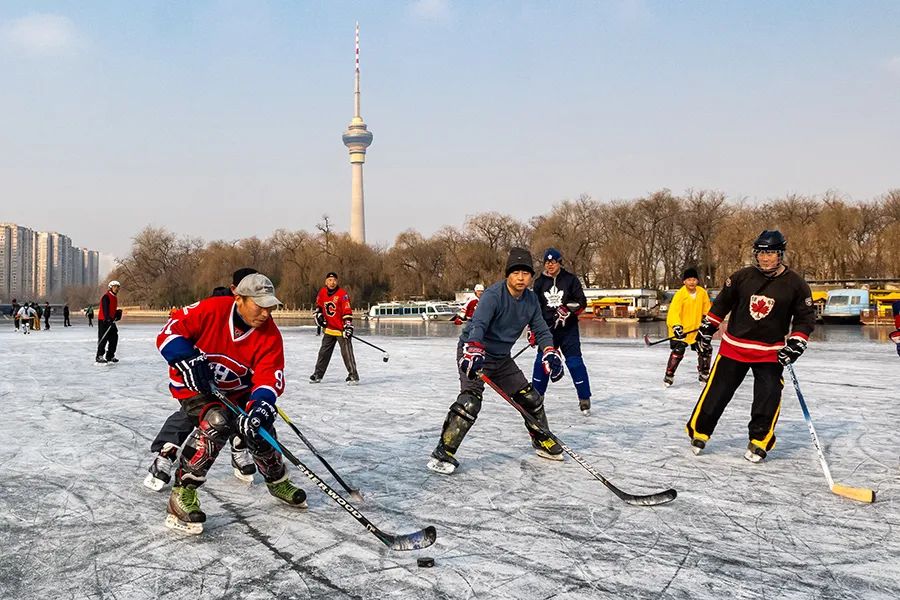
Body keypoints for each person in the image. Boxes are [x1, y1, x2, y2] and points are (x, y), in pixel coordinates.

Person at [156, 272, 305, 535]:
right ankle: (182, 493)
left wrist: (261, 405)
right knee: (217, 422)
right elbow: (169, 331)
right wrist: (185, 357)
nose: (266, 314)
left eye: (270, 307)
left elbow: (269, 376)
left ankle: (277, 480)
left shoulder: (269, 335)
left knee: (258, 426)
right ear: (239, 299)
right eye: (260, 306)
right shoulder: (211, 310)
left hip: (237, 391)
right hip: (194, 388)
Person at [427, 247, 566, 475]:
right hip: (474, 352)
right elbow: (479, 324)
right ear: (507, 274)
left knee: (530, 398)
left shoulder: (531, 300)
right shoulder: (493, 295)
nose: (521, 278)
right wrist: (473, 349)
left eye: (526, 273)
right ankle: (444, 451)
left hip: (501, 360)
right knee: (470, 402)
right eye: (516, 272)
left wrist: (549, 350)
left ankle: (541, 439)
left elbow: (541, 329)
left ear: (531, 276)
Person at [685, 230, 816, 463]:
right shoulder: (742, 277)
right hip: (734, 347)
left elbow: (805, 318)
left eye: (771, 253)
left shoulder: (796, 284)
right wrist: (708, 326)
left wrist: (797, 341)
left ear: (781, 254)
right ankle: (700, 432)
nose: (765, 258)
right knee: (716, 393)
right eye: (761, 253)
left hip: (769, 353)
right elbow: (722, 303)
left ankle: (759, 441)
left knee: (768, 398)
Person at [144, 268, 260, 491]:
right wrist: (188, 359)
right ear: (235, 290)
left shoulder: (256, 313)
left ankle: (239, 446)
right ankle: (166, 453)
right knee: (196, 415)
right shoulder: (213, 308)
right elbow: (174, 330)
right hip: (200, 380)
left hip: (234, 381)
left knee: (245, 413)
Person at [530, 247, 592, 415]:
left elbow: (582, 302)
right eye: (547, 262)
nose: (550, 265)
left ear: (559, 262)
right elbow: (533, 308)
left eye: (553, 262)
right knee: (541, 363)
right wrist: (532, 329)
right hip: (546, 330)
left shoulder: (570, 280)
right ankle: (536, 397)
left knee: (574, 362)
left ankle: (584, 398)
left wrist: (568, 310)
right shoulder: (539, 282)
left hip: (568, 330)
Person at [663, 267, 712, 387]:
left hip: (696, 329)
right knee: (678, 350)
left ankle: (704, 374)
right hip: (681, 330)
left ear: (697, 281)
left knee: (705, 348)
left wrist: (708, 323)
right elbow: (673, 313)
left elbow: (707, 310)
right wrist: (676, 326)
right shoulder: (680, 295)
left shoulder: (702, 293)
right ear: (684, 281)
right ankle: (669, 374)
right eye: (689, 280)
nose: (692, 282)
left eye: (694, 279)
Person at [310, 272, 359, 384]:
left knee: (347, 354)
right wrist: (319, 315)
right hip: (329, 329)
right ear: (326, 282)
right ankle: (318, 374)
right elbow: (319, 306)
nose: (332, 283)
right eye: (330, 280)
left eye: (334, 280)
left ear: (337, 282)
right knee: (323, 353)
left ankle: (353, 375)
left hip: (341, 330)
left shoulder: (342, 294)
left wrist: (348, 325)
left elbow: (347, 311)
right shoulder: (322, 292)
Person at [96, 281, 121, 363]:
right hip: (104, 321)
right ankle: (99, 356)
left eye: (118, 287)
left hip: (111, 321)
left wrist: (117, 314)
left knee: (114, 338)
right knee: (103, 339)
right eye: (115, 287)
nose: (117, 288)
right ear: (111, 287)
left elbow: (112, 309)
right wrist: (108, 319)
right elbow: (105, 309)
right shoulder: (106, 297)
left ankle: (110, 355)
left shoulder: (115, 297)